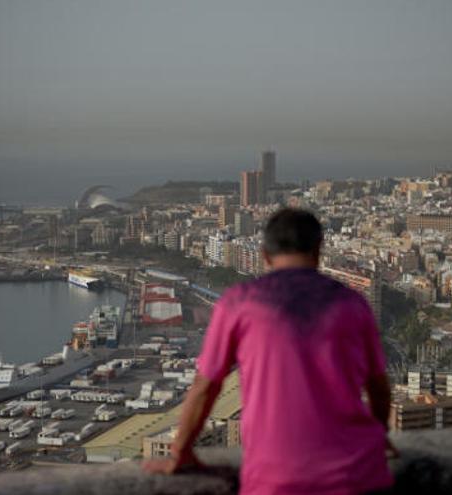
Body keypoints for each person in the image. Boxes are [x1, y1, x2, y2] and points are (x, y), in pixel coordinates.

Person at [144, 208, 394, 494]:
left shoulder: (240, 302)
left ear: (264, 255)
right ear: (318, 250)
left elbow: (206, 386)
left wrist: (181, 451)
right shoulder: (352, 303)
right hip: (360, 475)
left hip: (276, 478)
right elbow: (378, 386)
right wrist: (381, 435)